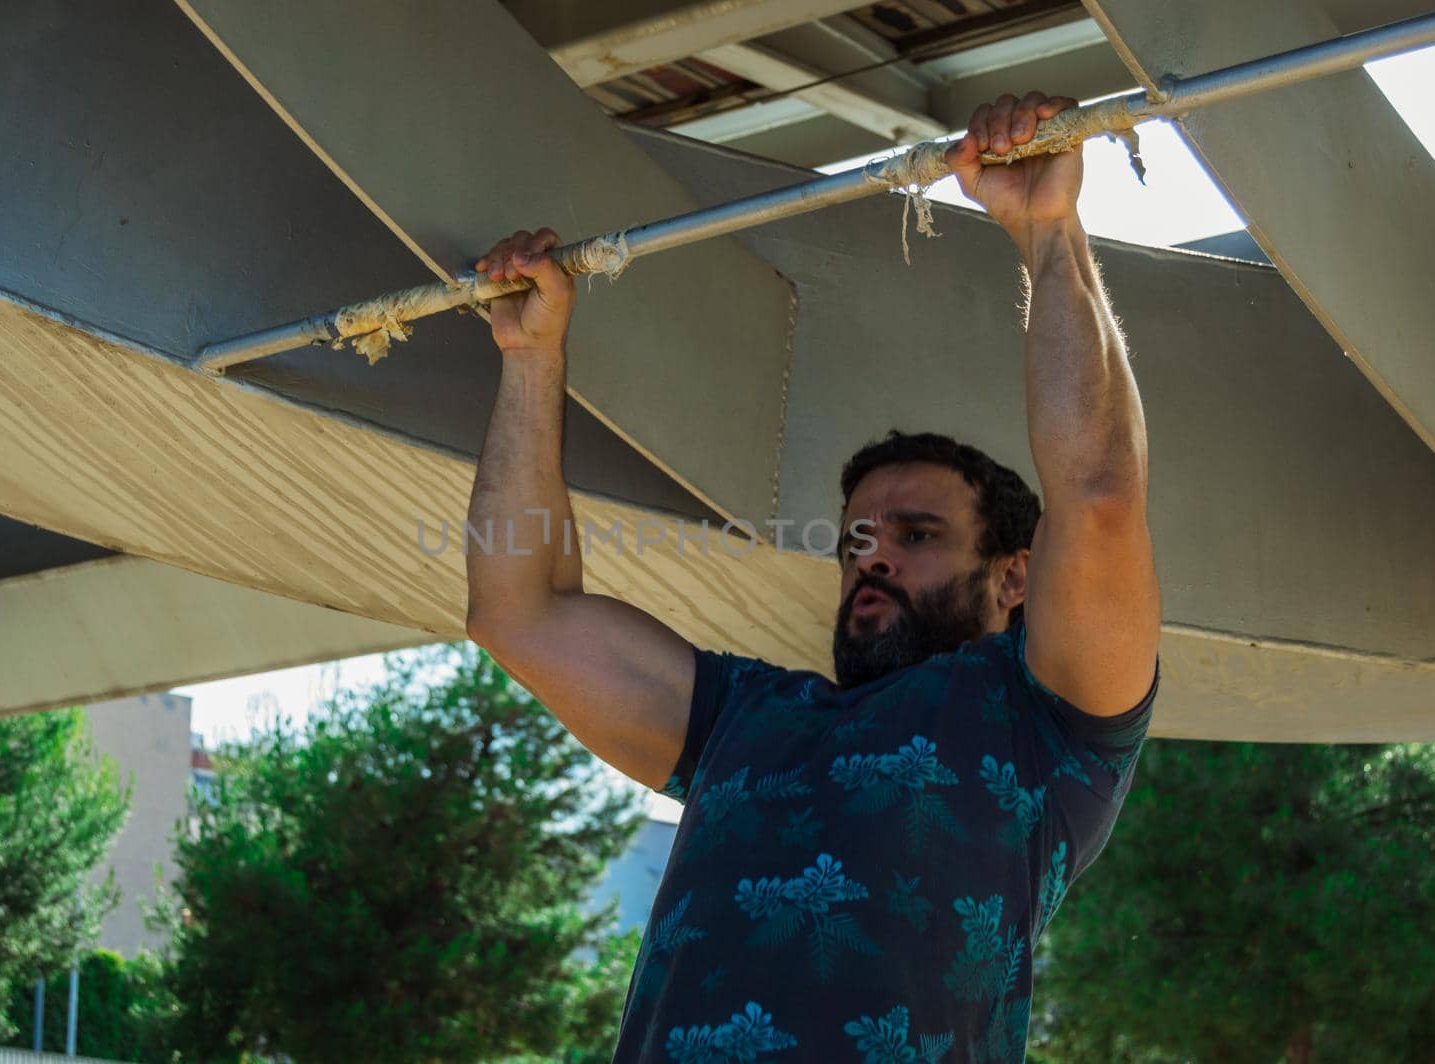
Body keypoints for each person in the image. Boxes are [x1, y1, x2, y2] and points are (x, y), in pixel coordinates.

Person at [465, 91, 1161, 1063]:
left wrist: (1048, 232)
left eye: (915, 532)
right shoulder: (739, 717)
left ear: (1015, 578)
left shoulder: (1046, 725)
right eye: (856, 539)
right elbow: (519, 610)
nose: (871, 554)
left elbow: (1096, 492)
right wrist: (530, 358)